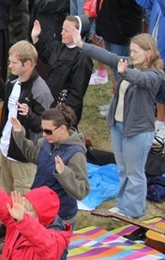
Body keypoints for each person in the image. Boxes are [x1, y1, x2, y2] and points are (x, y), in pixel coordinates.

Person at [70, 28, 165, 218]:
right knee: (122, 169)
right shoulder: (128, 64)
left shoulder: (155, 75)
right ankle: (122, 206)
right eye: (130, 51)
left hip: (137, 131)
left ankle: (135, 211)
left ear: (148, 52)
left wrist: (125, 72)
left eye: (135, 51)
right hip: (119, 126)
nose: (131, 55)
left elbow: (140, 79)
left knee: (135, 173)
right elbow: (106, 55)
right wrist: (81, 44)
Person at [10, 105, 90, 260]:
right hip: (40, 213)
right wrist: (19, 133)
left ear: (62, 129)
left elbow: (82, 191)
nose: (44, 135)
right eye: (42, 130)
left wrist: (64, 174)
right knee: (37, 255)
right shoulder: (47, 142)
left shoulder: (75, 154)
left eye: (48, 131)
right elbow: (34, 156)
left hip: (60, 218)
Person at [0, 41, 54, 196]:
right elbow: (6, 96)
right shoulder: (14, 81)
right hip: (6, 150)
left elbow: (46, 128)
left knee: (23, 204)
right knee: (4, 198)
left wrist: (29, 115)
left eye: (14, 62)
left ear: (27, 63)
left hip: (24, 159)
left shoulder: (41, 92)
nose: (10, 66)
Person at [31, 17, 93, 123]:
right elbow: (47, 56)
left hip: (63, 108)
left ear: (77, 33)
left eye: (66, 31)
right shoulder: (60, 46)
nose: (62, 33)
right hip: (48, 100)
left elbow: (76, 92)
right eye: (62, 29)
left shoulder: (82, 58)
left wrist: (64, 114)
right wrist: (35, 38)